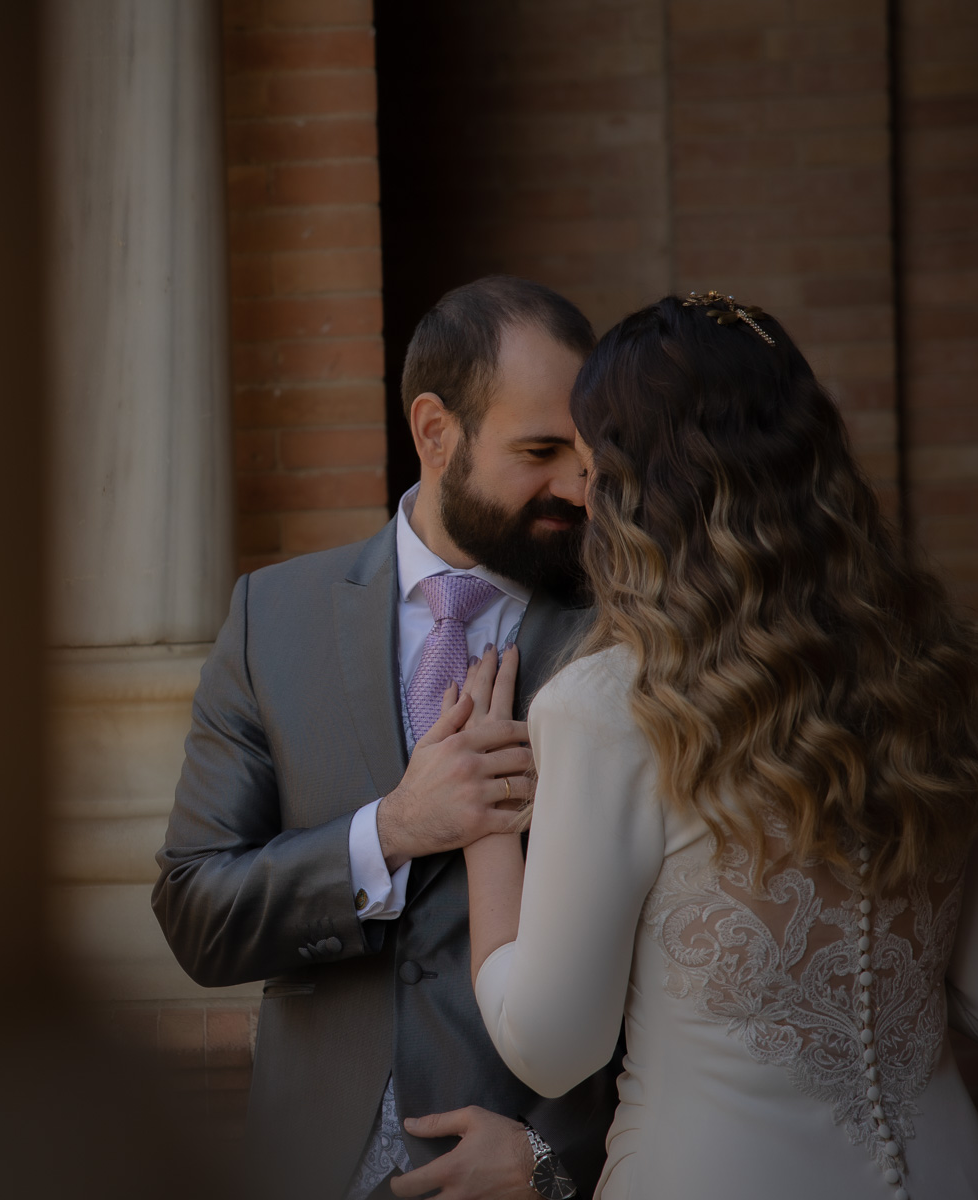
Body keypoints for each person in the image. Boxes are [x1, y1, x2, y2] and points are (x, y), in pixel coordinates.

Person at [459, 292, 978, 1199]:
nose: (580, 489)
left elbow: (550, 1046)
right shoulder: (957, 677)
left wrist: (487, 827)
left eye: (590, 461)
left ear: (633, 483)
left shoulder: (609, 707)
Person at [153, 276, 622, 1200]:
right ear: (435, 432)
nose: (577, 484)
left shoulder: (627, 630)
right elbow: (197, 913)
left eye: (586, 451)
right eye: (540, 450)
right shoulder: (271, 619)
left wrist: (552, 1160)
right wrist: (394, 829)